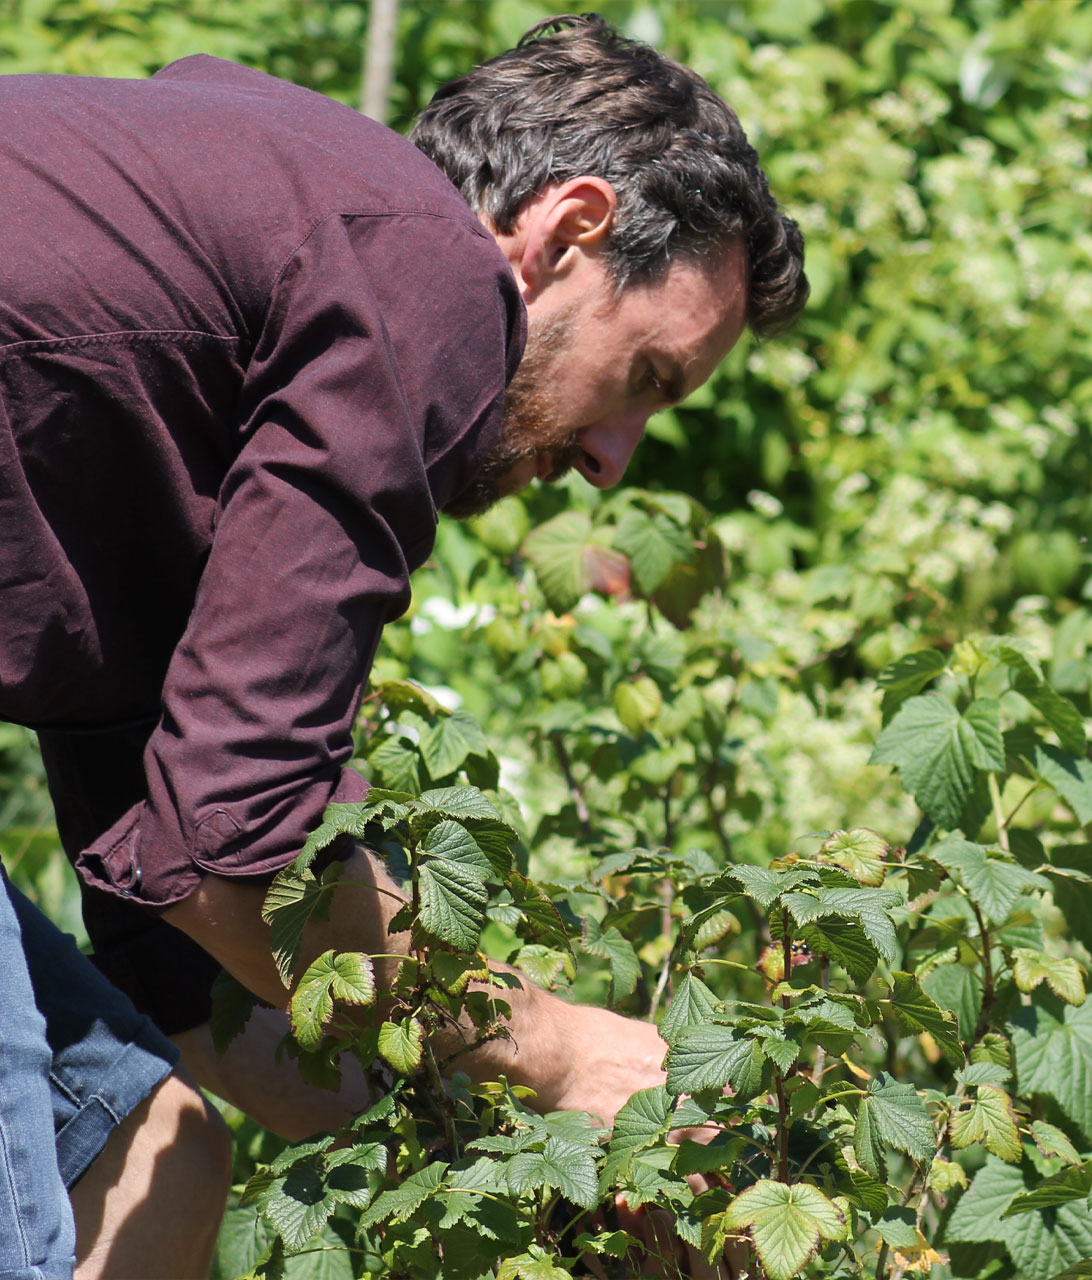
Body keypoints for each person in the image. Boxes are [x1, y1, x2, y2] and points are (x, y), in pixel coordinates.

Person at [0, 13, 806, 1274]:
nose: (612, 461)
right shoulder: (424, 275)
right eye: (646, 377)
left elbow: (183, 912)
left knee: (145, 1151)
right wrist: (560, 1044)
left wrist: (514, 1144)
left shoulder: (259, 248)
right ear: (565, 233)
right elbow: (239, 828)